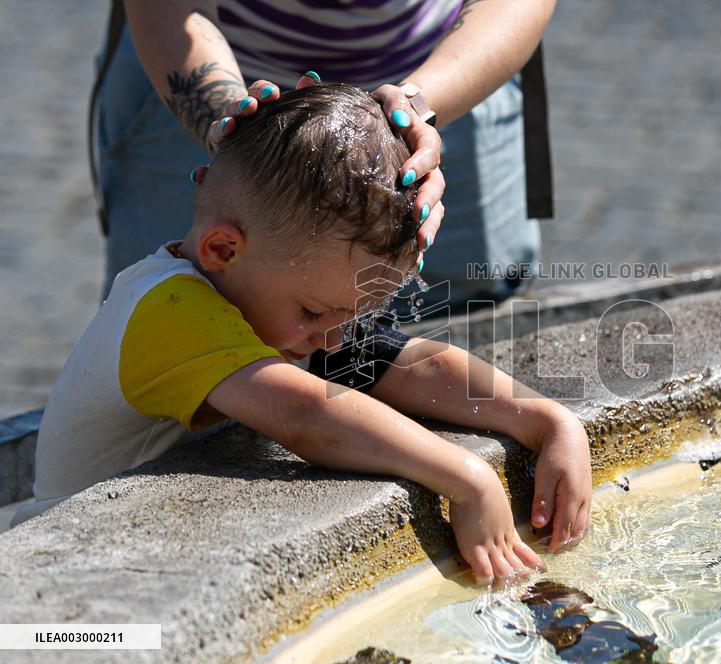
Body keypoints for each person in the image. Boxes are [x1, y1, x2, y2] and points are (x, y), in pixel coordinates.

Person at [18, 85, 591, 583]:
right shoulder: (170, 310)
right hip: (69, 568)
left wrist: (547, 421)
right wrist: (468, 478)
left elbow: (407, 365)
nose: (336, 340)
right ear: (222, 249)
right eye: (318, 313)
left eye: (349, 317)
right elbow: (309, 416)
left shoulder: (274, 301)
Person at [96, 0, 556, 308]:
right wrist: (231, 131)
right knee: (175, 319)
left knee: (468, 320)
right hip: (199, 72)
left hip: (455, 63)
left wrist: (417, 111)